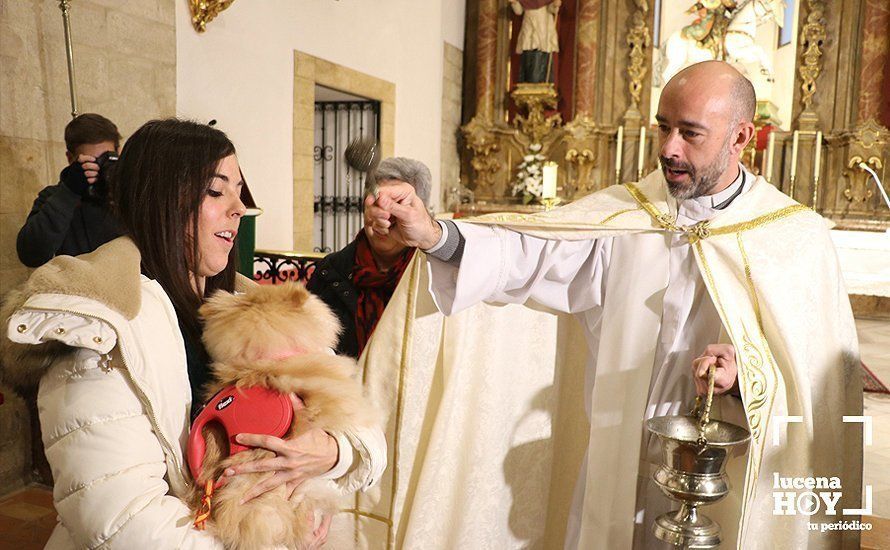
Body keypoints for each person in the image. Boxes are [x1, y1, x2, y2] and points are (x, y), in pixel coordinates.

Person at [363, 61, 861, 548]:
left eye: (690, 133)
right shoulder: (626, 215)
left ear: (740, 138)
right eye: (663, 127)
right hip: (619, 459)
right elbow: (528, 254)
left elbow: (817, 382)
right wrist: (432, 234)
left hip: (729, 471)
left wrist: (747, 376)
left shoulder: (794, 237)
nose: (668, 148)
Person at [0, 119, 386, 549]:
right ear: (162, 201)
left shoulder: (256, 308)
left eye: (240, 192)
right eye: (216, 191)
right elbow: (122, 522)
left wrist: (331, 451)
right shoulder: (101, 329)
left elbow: (364, 427)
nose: (238, 208)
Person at [307, 157, 431, 358]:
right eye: (377, 203)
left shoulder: (434, 274)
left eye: (397, 205)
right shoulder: (331, 270)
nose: (384, 215)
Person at [16, 113, 124, 267]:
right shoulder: (54, 196)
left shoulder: (128, 196)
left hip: (130, 285)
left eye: (106, 159)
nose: (100, 168)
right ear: (70, 158)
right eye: (91, 162)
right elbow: (31, 255)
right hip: (78, 287)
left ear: (118, 152)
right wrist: (69, 192)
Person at [509, 0, 561, 83]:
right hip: (528, 25)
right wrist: (514, 3)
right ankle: (528, 83)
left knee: (541, 57)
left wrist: (555, 5)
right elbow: (519, 11)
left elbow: (552, 9)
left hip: (543, 26)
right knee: (528, 54)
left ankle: (540, 84)